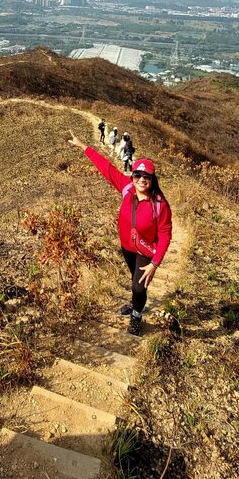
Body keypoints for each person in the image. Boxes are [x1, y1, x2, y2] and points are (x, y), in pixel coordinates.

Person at [68, 132, 172, 336]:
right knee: (134, 279)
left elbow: (166, 235)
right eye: (137, 176)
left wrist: (155, 263)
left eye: (146, 177)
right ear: (132, 176)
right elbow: (106, 168)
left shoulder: (159, 204)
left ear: (152, 179)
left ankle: (136, 315)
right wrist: (83, 147)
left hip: (146, 250)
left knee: (139, 287)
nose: (141, 180)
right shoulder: (127, 188)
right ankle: (134, 303)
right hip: (127, 247)